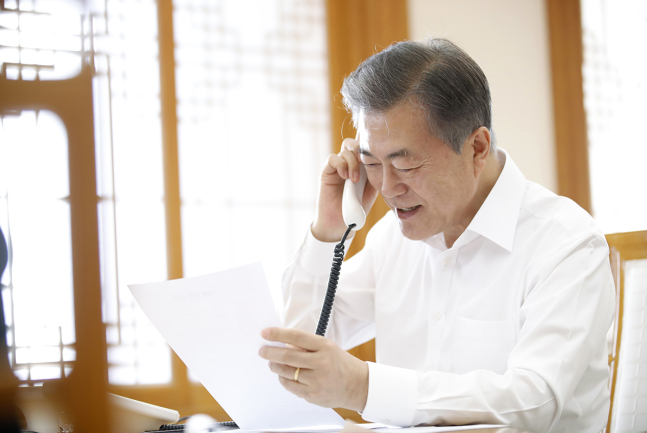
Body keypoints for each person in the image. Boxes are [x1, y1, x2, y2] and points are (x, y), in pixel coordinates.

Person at [258, 39, 614, 433]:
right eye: (371, 163)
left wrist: (364, 387)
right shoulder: (389, 240)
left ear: (477, 147)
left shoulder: (566, 243)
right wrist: (328, 230)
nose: (388, 189)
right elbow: (298, 348)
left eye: (406, 165)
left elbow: (533, 401)